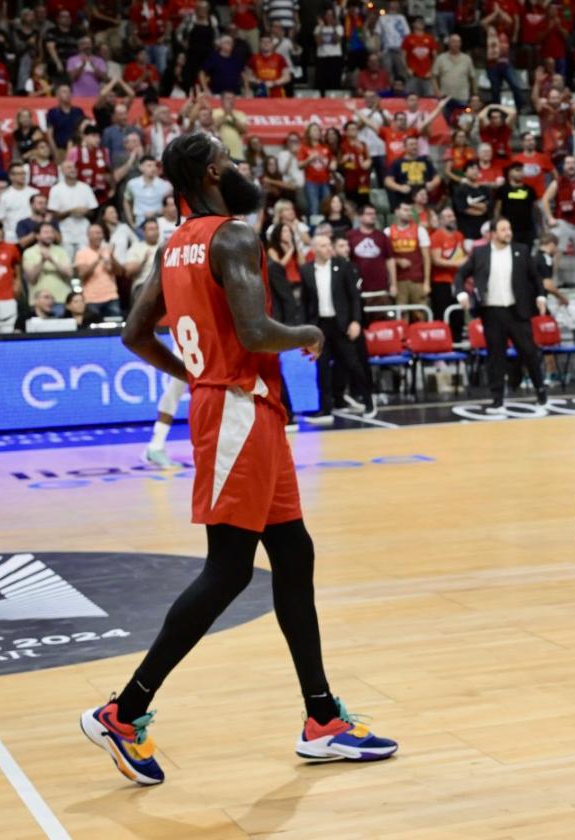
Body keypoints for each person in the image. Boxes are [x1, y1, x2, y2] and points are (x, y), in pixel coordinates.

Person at [82, 132, 396, 787]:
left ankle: (321, 720)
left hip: (241, 407)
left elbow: (134, 332)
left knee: (295, 554)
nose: (242, 167)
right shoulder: (232, 236)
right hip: (237, 411)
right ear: (214, 169)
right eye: (232, 158)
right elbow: (256, 332)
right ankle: (124, 709)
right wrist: (310, 332)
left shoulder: (176, 245)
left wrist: (194, 371)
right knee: (227, 571)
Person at [453, 217, 548, 410]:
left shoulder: (521, 250)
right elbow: (460, 274)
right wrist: (462, 293)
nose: (508, 232)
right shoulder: (480, 253)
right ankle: (497, 396)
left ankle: (540, 389)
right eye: (504, 229)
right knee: (496, 356)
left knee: (529, 351)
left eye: (509, 228)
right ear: (493, 233)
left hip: (517, 309)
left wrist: (541, 297)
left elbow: (536, 277)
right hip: (492, 311)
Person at [301, 234, 374, 422]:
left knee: (353, 363)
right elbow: (304, 303)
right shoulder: (307, 270)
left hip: (341, 324)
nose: (328, 249)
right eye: (323, 246)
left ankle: (368, 401)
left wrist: (356, 321)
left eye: (328, 245)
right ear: (314, 249)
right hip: (320, 326)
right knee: (322, 367)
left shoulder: (342, 266)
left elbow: (354, 297)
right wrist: (305, 330)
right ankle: (326, 408)